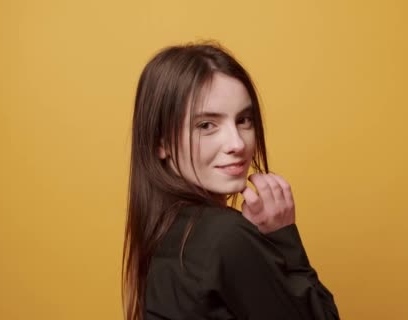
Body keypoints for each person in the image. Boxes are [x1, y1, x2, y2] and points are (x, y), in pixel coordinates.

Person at [122, 41, 340, 320]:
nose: (237, 143)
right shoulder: (226, 237)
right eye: (206, 125)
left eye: (244, 120)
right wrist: (283, 237)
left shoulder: (162, 233)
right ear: (160, 141)